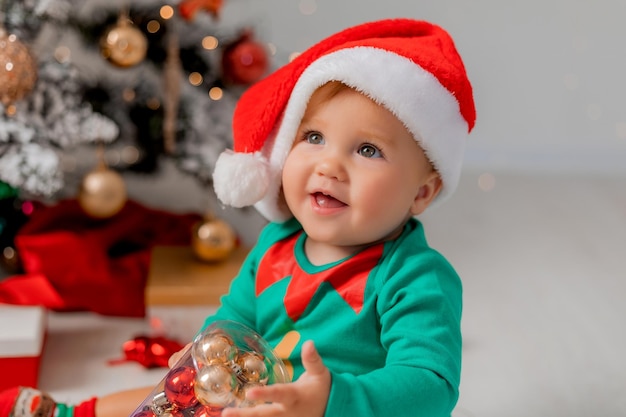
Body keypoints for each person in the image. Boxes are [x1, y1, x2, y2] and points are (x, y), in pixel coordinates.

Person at [1, 17, 476, 417]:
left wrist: (329, 400)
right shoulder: (276, 244)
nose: (328, 165)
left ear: (422, 192)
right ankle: (69, 411)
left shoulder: (415, 277)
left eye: (367, 149)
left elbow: (429, 385)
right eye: (312, 138)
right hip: (250, 397)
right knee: (169, 395)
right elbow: (236, 317)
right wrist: (206, 353)